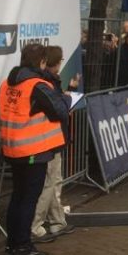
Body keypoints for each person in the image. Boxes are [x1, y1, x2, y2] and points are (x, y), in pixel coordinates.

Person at [0, 43, 71, 255]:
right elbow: (60, 110)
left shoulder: (7, 83)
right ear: (41, 62)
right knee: (28, 199)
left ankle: (13, 244)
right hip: (33, 150)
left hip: (12, 147)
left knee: (18, 197)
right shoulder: (37, 85)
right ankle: (22, 246)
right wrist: (66, 99)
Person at [31, 46, 79, 244]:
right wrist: (68, 97)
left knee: (54, 180)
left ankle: (57, 220)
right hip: (49, 139)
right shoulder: (45, 84)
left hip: (49, 139)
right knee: (51, 182)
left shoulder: (46, 82)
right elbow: (58, 108)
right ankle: (35, 224)